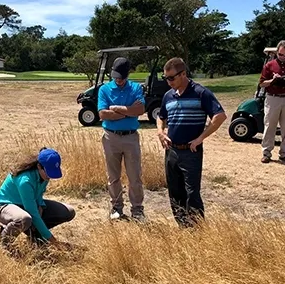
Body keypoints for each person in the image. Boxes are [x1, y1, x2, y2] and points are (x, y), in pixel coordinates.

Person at [156, 58, 227, 228]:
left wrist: (201, 138)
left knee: (192, 193)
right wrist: (160, 132)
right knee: (174, 191)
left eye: (171, 78)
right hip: (171, 151)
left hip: (191, 151)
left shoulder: (200, 93)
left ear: (183, 74)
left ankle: (197, 229)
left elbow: (220, 116)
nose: (168, 82)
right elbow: (161, 116)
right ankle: (183, 227)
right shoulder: (168, 96)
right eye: (165, 78)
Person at [0, 147, 75, 250]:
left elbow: (38, 196)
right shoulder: (25, 181)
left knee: (68, 211)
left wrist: (40, 205)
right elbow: (33, 213)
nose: (50, 177)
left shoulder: (44, 175)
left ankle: (36, 238)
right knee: (24, 219)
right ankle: (4, 242)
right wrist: (53, 242)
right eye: (48, 172)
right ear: (39, 166)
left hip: (27, 204)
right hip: (5, 206)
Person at [97, 57, 146, 222]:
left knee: (135, 176)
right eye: (115, 77)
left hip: (131, 137)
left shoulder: (136, 88)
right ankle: (117, 207)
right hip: (110, 137)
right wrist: (128, 111)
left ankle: (137, 209)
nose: (118, 80)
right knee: (113, 176)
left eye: (121, 77)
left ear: (127, 75)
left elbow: (140, 109)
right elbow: (103, 114)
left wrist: (117, 109)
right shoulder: (104, 89)